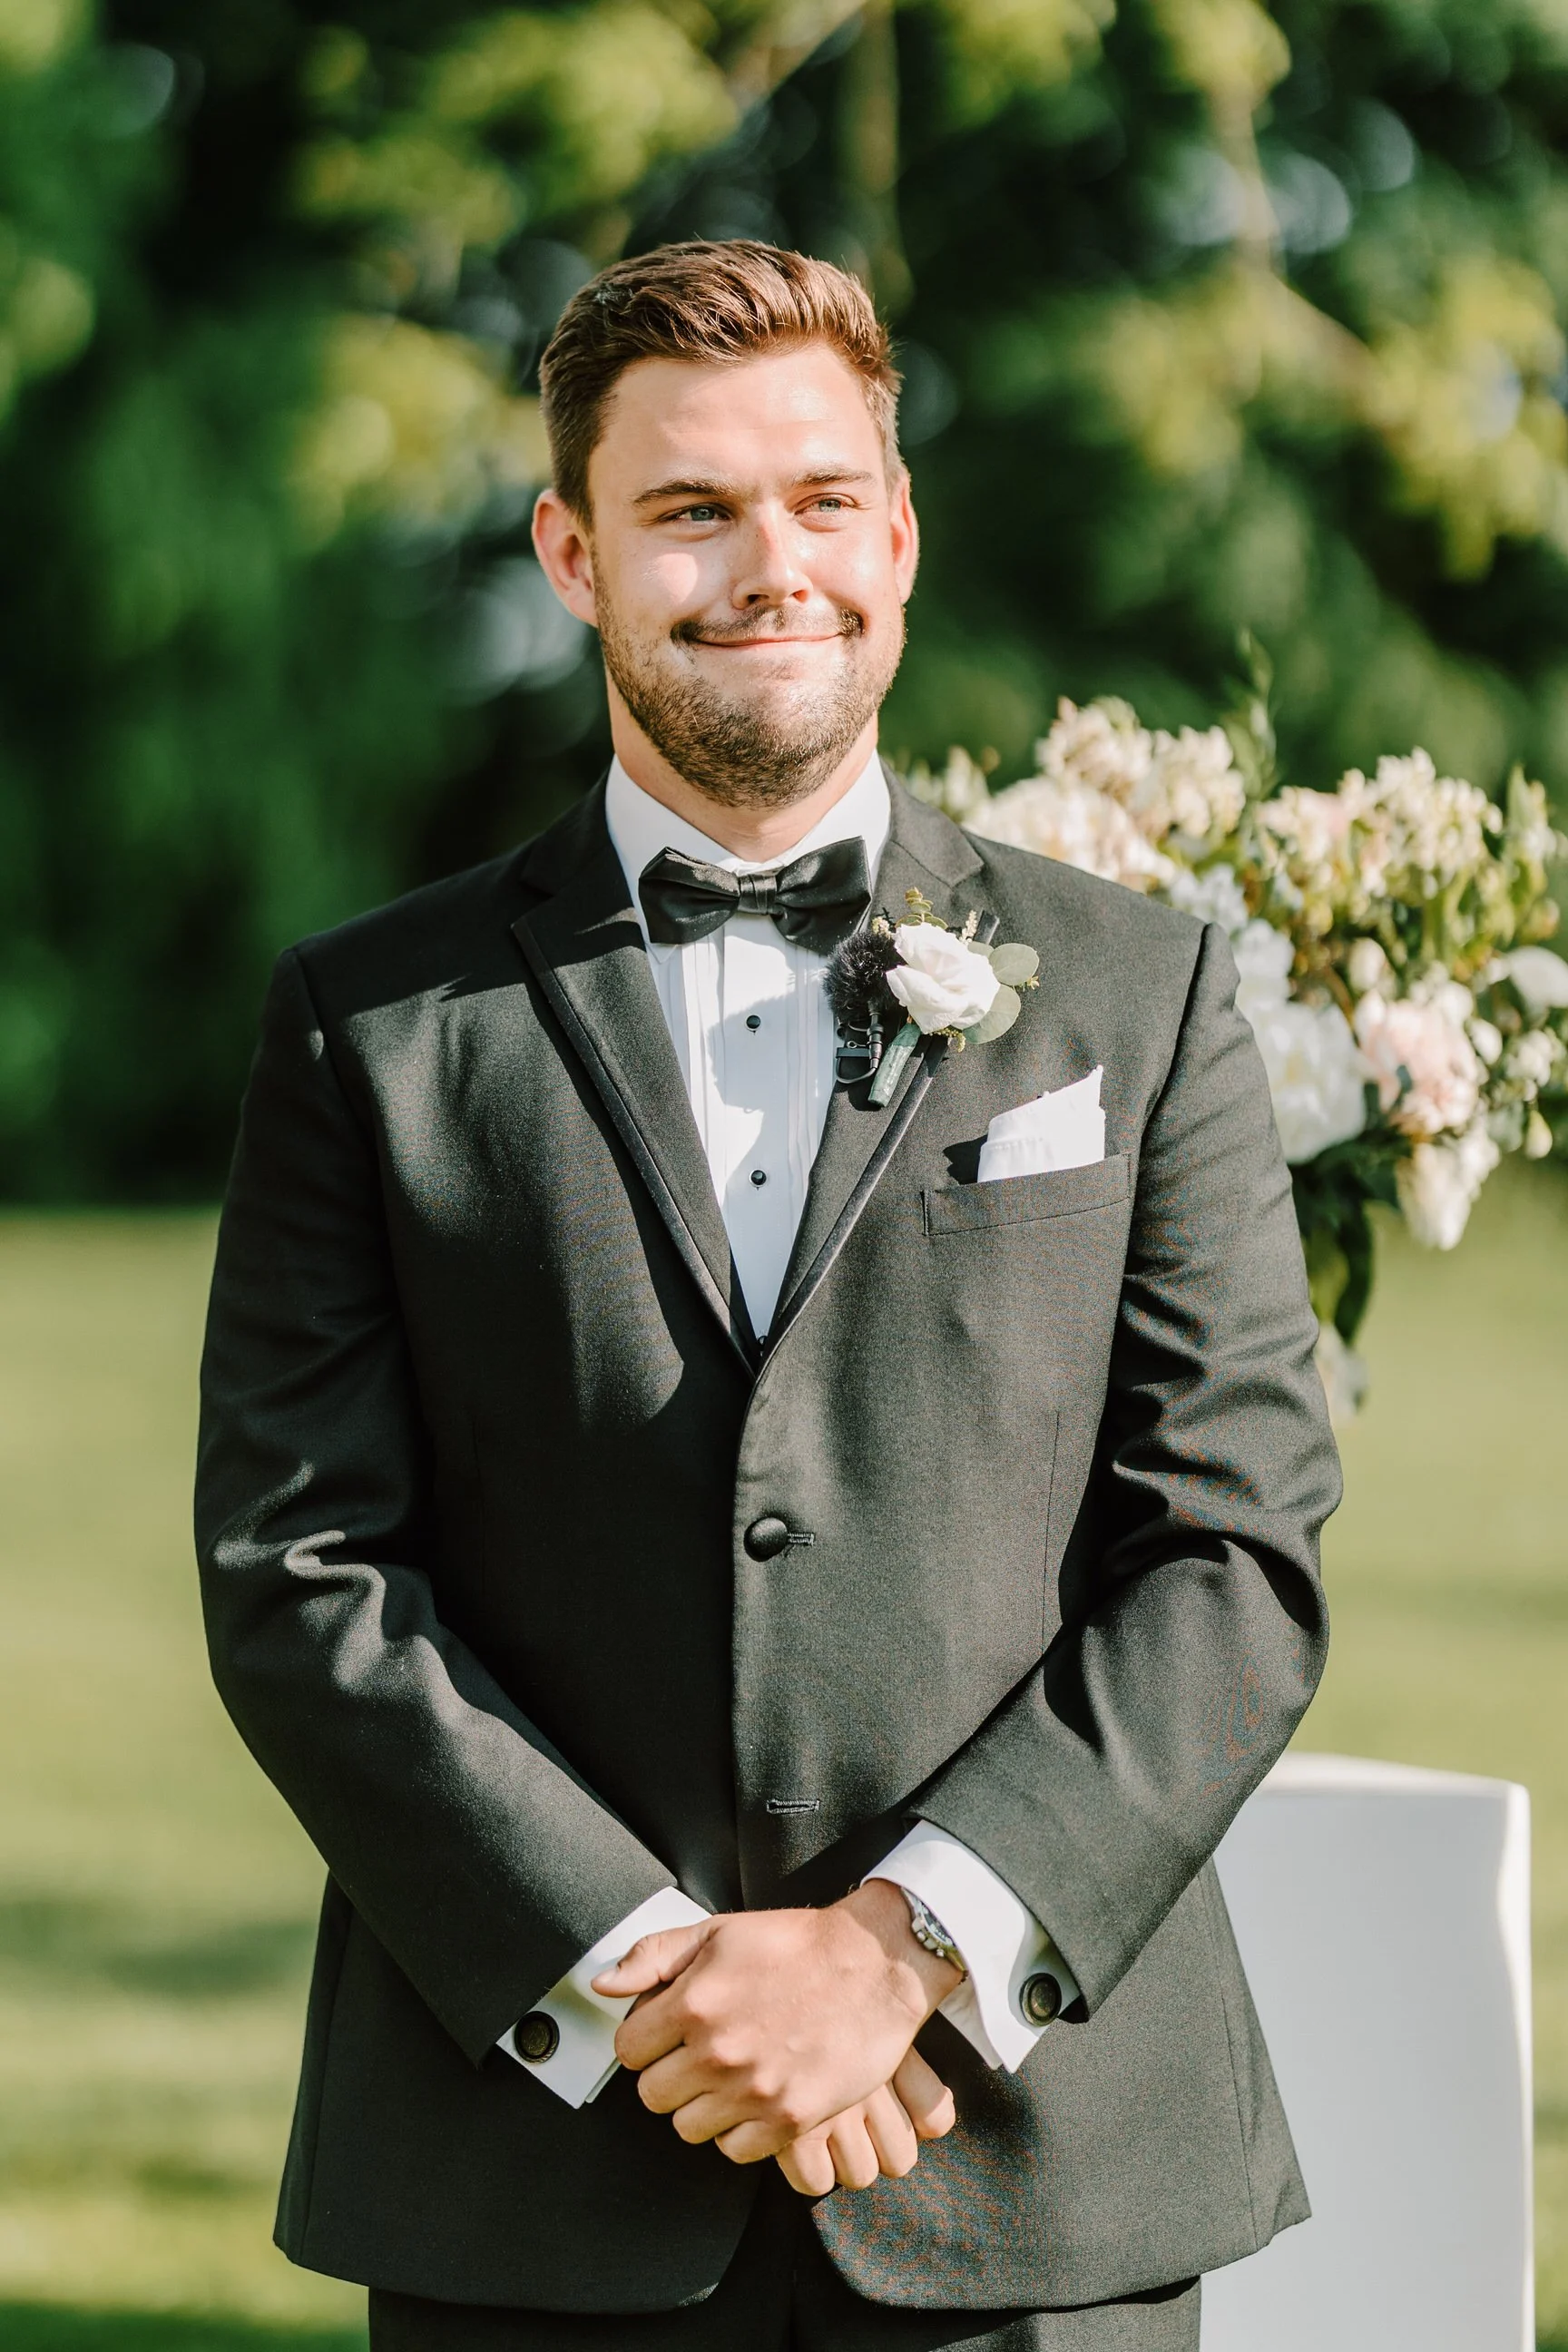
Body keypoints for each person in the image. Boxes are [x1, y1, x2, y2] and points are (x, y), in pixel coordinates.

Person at [195, 240, 1339, 2351]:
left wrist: (900, 1950)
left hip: (1038, 2164)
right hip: (541, 2176)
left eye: (821, 499)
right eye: (690, 508)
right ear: (571, 549)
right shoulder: (368, 1024)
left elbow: (1232, 1556)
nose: (767, 564)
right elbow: (302, 1568)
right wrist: (653, 1979)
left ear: (896, 534)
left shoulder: (1144, 995)